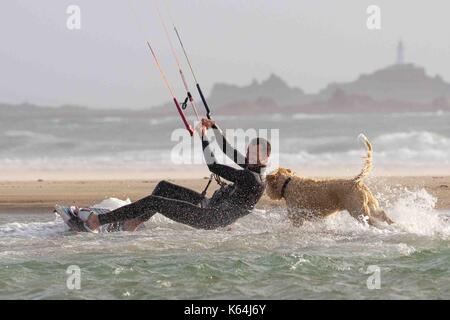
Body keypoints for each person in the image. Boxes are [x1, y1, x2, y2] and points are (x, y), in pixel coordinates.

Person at [81, 118, 271, 231]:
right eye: (249, 152)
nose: (249, 157)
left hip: (208, 218)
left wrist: (203, 136)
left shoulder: (252, 178)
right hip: (208, 206)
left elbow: (214, 166)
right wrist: (214, 127)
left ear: (266, 156)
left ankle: (97, 222)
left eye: (254, 154)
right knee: (163, 187)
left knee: (153, 201)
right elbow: (227, 150)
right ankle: (134, 222)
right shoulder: (254, 167)